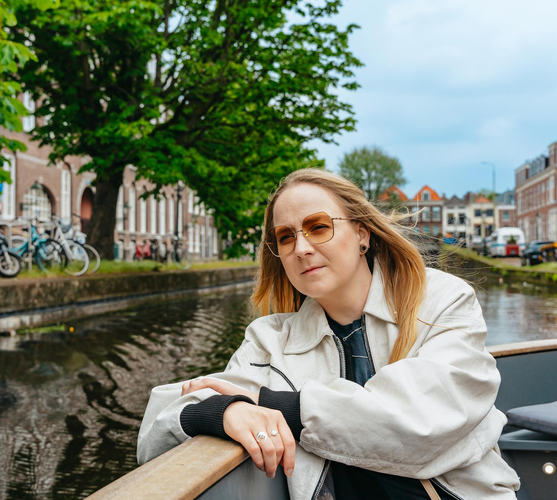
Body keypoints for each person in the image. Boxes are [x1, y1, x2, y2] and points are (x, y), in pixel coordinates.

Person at [137, 169, 520, 500]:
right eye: (285, 237)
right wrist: (226, 411)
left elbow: (418, 421)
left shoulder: (441, 303)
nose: (301, 248)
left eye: (318, 227)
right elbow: (159, 423)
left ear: (362, 234)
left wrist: (272, 404)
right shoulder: (270, 340)